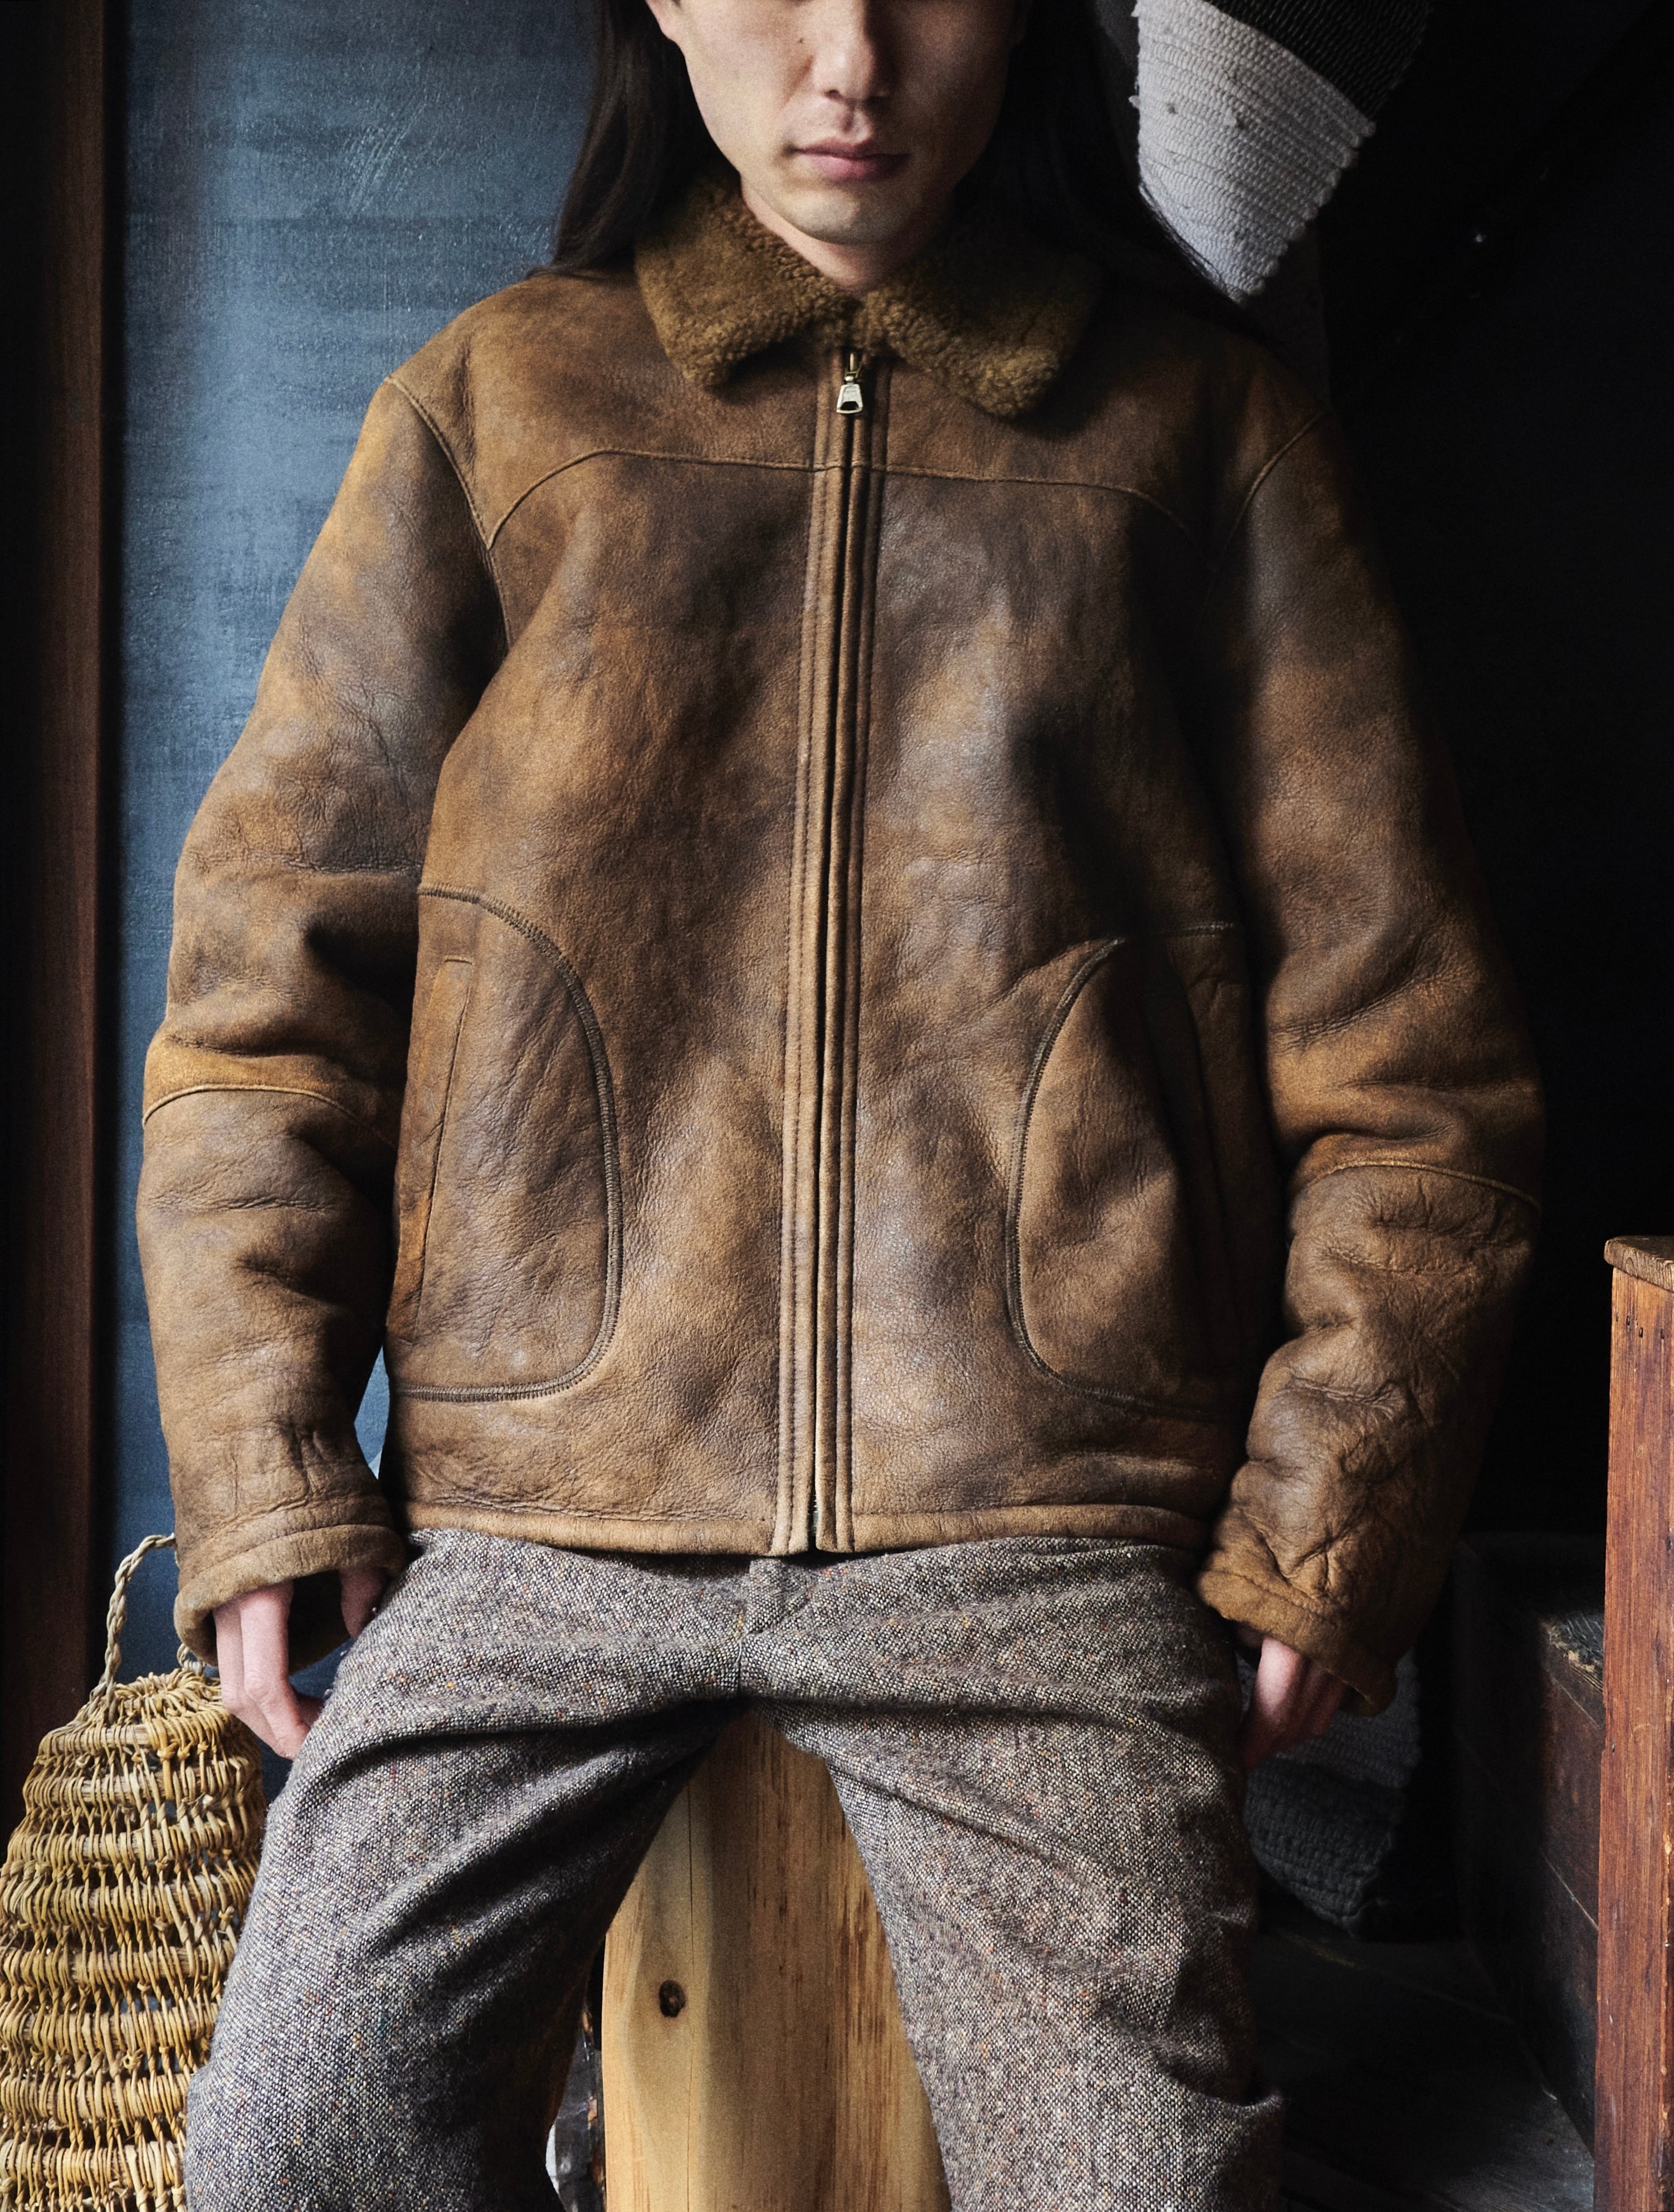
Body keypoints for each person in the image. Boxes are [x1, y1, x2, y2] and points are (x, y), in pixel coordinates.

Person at [139, 0, 1541, 2204]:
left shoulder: (1203, 437)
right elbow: (262, 1006)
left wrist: (1321, 1529)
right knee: (292, 2148)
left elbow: (1418, 1072)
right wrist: (269, 1471)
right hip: (545, 1519)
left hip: (1038, 1527)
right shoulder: (493, 411)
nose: (852, 62)